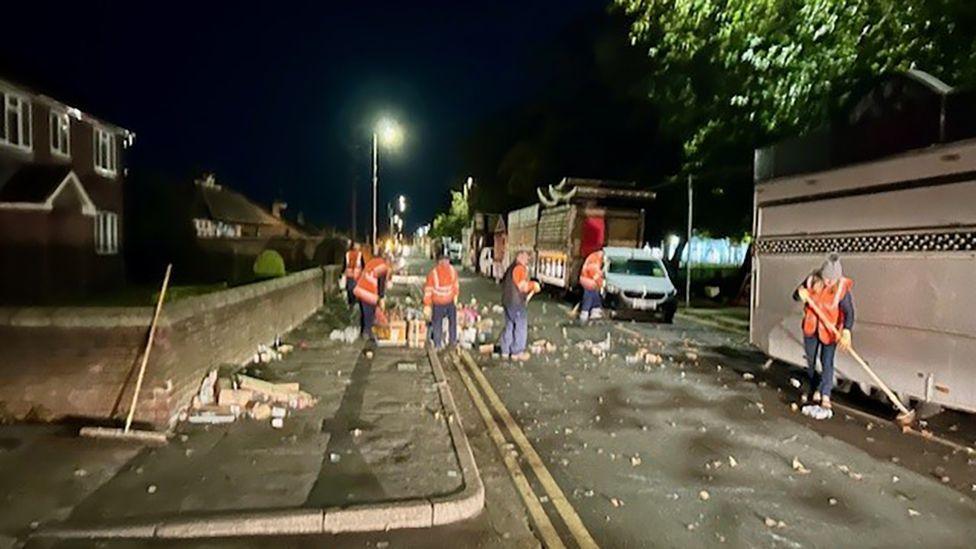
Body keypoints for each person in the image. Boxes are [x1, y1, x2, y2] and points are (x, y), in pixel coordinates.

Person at [793, 253, 854, 416]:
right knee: (811, 361)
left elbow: (849, 312)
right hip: (811, 328)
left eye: (832, 280)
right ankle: (814, 388)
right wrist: (800, 295)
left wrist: (847, 331)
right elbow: (795, 295)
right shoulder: (812, 280)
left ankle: (825, 394)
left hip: (830, 331)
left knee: (827, 362)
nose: (828, 282)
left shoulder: (841, 289)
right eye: (826, 279)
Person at [500, 250, 541, 361]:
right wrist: (534, 285)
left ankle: (505, 351)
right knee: (520, 326)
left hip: (507, 301)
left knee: (509, 326)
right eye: (526, 258)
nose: (527, 261)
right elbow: (522, 286)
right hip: (516, 303)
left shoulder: (510, 268)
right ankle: (517, 352)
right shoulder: (519, 269)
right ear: (520, 257)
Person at [423, 253, 460, 348]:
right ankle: (452, 343)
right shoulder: (452, 270)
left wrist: (427, 304)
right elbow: (455, 285)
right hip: (449, 301)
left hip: (438, 303)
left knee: (437, 324)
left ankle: (438, 345)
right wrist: (455, 296)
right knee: (452, 323)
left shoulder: (433, 273)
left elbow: (428, 290)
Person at [354, 256, 391, 341]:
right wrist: (381, 297)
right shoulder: (383, 267)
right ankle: (367, 333)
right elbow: (381, 283)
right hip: (368, 292)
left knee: (364, 314)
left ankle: (363, 332)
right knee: (369, 313)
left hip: (360, 289)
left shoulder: (374, 262)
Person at [578, 249, 605, 324]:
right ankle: (585, 312)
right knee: (590, 294)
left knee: (594, 294)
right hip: (588, 280)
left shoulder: (595, 256)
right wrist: (601, 284)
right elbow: (595, 274)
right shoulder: (595, 260)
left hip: (586, 278)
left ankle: (595, 310)